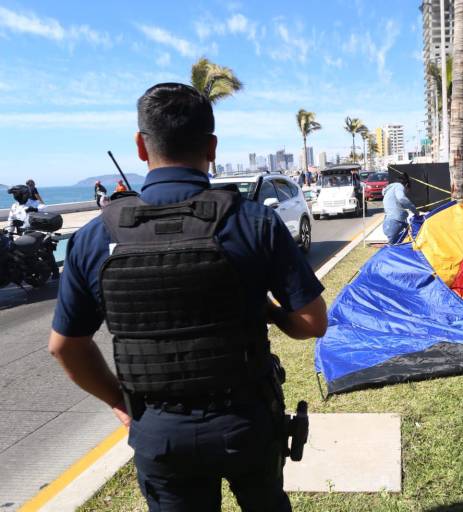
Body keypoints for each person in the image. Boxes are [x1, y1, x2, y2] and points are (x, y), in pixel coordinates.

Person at [48, 82, 328, 511]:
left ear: (142, 147)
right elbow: (312, 322)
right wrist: (272, 314)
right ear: (212, 147)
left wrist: (118, 402)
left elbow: (65, 346)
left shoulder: (93, 238)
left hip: (158, 430)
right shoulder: (255, 223)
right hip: (246, 421)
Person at [382, 172, 419, 244]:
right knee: (393, 247)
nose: (406, 192)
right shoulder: (399, 186)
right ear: (406, 185)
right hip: (394, 222)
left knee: (396, 244)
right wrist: (415, 210)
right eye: (407, 190)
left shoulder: (390, 189)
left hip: (388, 222)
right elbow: (401, 198)